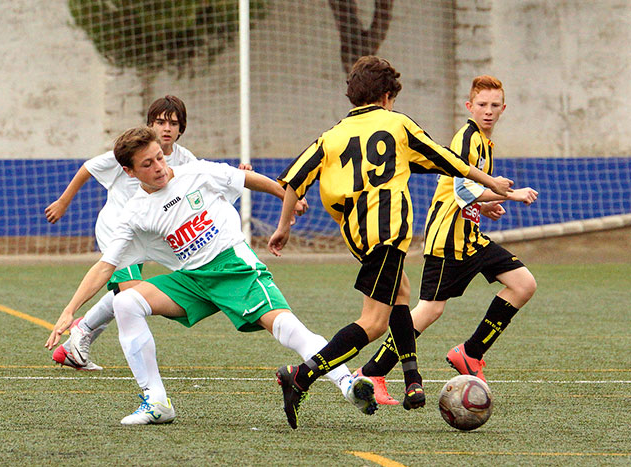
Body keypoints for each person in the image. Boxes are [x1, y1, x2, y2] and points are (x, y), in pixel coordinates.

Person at [45, 126, 377, 427]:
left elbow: (246, 179)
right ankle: (157, 402)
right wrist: (70, 310)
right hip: (191, 279)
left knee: (286, 327)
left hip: (233, 268)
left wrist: (285, 198)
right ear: (129, 172)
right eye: (147, 164)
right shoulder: (135, 211)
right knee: (126, 302)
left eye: (159, 157)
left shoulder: (197, 172)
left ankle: (348, 384)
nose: (159, 167)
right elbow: (106, 265)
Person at [267, 56, 514, 427]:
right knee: (373, 323)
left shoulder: (332, 135)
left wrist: (284, 226)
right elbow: (447, 159)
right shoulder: (397, 123)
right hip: (388, 229)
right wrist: (492, 182)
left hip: (356, 234)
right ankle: (300, 376)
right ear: (386, 97)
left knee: (401, 292)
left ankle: (413, 381)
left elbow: (293, 180)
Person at [45, 96, 251, 370]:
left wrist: (238, 178)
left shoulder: (185, 159)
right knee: (133, 294)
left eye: (173, 123)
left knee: (150, 291)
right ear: (150, 125)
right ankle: (84, 332)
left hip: (152, 235)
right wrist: (63, 202)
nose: (166, 128)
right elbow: (88, 168)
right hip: (118, 229)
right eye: (160, 122)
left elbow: (203, 189)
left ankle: (79, 338)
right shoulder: (130, 152)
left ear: (181, 128)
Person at [406, 75, 537, 383]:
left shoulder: (484, 142)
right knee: (429, 311)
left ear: (503, 108)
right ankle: (372, 372)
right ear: (469, 106)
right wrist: (511, 194)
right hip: (448, 239)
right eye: (482, 104)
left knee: (523, 284)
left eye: (495, 105)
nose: (488, 110)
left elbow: (464, 190)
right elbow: (462, 190)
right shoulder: (467, 138)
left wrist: (485, 205)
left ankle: (471, 353)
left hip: (470, 238)